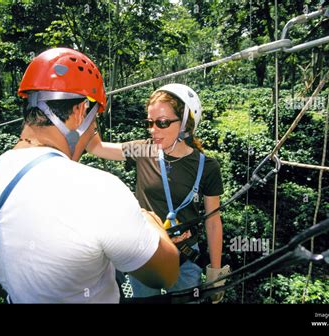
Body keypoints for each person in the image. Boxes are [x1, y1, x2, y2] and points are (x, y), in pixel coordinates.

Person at [0, 48, 179, 303]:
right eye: (95, 119)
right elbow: (165, 274)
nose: (154, 128)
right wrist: (150, 221)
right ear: (80, 111)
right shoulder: (106, 183)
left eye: (162, 123)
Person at [86, 83, 230, 302]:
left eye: (162, 123)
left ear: (184, 124)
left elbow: (213, 221)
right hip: (145, 254)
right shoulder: (144, 150)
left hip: (185, 258)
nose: (154, 130)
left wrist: (216, 273)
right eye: (150, 123)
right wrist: (88, 109)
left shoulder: (206, 166)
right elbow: (96, 148)